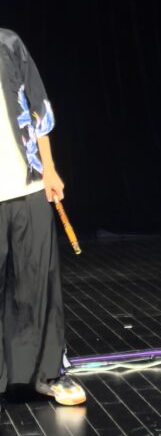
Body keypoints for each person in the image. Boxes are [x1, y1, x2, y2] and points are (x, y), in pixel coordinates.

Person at [0, 29, 85, 406]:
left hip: (29, 183)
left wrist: (49, 168)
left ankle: (48, 373)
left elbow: (38, 108)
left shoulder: (8, 44)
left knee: (40, 282)